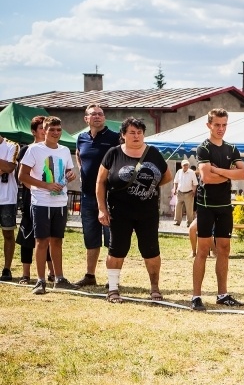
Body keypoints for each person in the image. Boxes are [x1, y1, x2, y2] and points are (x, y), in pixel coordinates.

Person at [96, 118, 172, 303]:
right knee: (117, 249)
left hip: (147, 212)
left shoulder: (153, 152)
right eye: (132, 132)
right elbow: (101, 182)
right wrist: (101, 209)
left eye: (139, 132)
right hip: (119, 211)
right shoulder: (113, 153)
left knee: (151, 250)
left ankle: (154, 288)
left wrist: (149, 187)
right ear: (123, 135)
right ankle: (113, 289)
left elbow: (167, 176)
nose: (136, 136)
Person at [191, 108, 244, 311]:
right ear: (209, 125)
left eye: (224, 125)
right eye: (217, 125)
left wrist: (217, 170)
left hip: (225, 206)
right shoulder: (203, 149)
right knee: (203, 251)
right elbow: (206, 178)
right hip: (206, 206)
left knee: (224, 250)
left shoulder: (231, 149)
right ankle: (196, 296)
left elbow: (243, 174)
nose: (221, 128)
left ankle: (222, 294)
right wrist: (228, 174)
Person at [18, 117, 79, 294]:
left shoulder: (65, 150)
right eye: (52, 129)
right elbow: (22, 175)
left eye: (58, 129)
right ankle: (40, 281)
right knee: (41, 241)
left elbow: (68, 170)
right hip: (41, 201)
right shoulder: (33, 150)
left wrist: (70, 175)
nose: (55, 133)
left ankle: (59, 278)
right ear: (44, 130)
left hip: (60, 202)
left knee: (57, 241)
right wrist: (46, 185)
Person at [74, 104, 119, 288]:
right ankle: (90, 275)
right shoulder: (81, 138)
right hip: (87, 197)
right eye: (93, 114)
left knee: (112, 239)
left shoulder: (115, 138)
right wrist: (82, 171)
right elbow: (79, 156)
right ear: (86, 119)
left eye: (100, 114)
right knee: (90, 237)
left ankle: (112, 279)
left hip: (110, 196)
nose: (98, 117)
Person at [15, 116, 54, 284]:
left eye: (47, 127)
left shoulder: (53, 149)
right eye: (41, 128)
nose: (45, 131)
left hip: (50, 199)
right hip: (31, 198)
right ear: (34, 131)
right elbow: (22, 177)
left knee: (49, 236)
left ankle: (53, 273)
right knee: (28, 236)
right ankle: (26, 274)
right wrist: (39, 189)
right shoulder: (27, 150)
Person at [0, 135, 20, 281]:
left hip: (7, 198)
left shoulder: (12, 145)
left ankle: (7, 269)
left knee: (8, 234)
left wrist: (5, 167)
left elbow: (9, 167)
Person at [172, 159, 197, 226]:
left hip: (189, 193)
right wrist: (174, 189)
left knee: (189, 209)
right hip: (179, 192)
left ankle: (189, 223)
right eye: (184, 165)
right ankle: (177, 221)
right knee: (178, 207)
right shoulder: (179, 172)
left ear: (188, 165)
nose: (185, 166)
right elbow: (175, 181)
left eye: (186, 165)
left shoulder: (192, 172)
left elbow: (195, 183)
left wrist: (194, 191)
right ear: (181, 165)